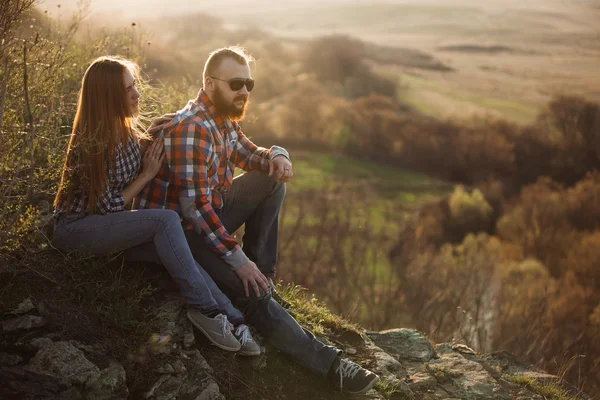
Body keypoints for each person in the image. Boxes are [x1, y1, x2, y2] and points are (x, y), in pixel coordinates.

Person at [132, 47, 380, 394]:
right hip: (182, 236)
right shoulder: (193, 130)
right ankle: (331, 365)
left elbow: (251, 154)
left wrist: (279, 154)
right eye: (236, 83)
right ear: (210, 82)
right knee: (250, 290)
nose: (244, 92)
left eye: (249, 83)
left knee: (271, 181)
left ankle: (263, 278)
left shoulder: (222, 119)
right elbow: (195, 211)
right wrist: (237, 259)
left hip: (207, 219)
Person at [51, 56, 260, 356]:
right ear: (108, 97)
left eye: (134, 85)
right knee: (166, 220)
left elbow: (127, 168)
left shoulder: (124, 134)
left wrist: (148, 138)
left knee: (179, 251)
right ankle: (205, 311)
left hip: (110, 231)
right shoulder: (91, 143)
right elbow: (108, 206)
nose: (136, 94)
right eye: (127, 89)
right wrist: (147, 175)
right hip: (77, 231)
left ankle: (233, 319)